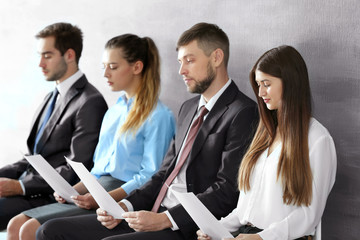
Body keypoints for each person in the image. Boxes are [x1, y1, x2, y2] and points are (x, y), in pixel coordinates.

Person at [36, 22, 259, 240]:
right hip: (150, 210)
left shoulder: (243, 112)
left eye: (190, 61)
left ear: (217, 57)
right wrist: (123, 205)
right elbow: (164, 173)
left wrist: (165, 219)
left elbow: (227, 191)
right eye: (180, 61)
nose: (181, 70)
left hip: (185, 225)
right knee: (49, 230)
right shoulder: (188, 108)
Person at [6, 34, 176, 240]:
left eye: (113, 67)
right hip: (96, 190)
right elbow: (97, 170)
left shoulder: (159, 116)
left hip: (123, 195)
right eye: (104, 66)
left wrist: (103, 198)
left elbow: (150, 176)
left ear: (137, 67)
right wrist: (72, 191)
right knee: (17, 225)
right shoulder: (113, 112)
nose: (105, 73)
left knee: (30, 229)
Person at [197, 45, 337, 240]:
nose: (261, 93)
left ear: (290, 83)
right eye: (258, 85)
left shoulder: (317, 140)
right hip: (246, 234)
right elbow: (246, 208)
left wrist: (262, 237)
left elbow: (308, 215)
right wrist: (217, 228)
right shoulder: (265, 133)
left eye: (267, 84)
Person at [0, 22, 108, 230]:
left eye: (47, 56)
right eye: (40, 55)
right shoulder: (51, 96)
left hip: (51, 197)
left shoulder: (90, 101)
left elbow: (77, 168)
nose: (40, 63)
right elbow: (33, 157)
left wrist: (20, 187)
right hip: (31, 189)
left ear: (69, 55)